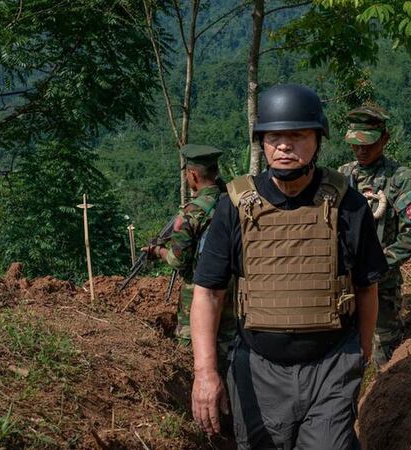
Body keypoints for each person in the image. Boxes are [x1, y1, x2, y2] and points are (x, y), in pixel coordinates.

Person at [189, 84, 388, 449]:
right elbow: (208, 293)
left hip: (331, 365)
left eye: (297, 135)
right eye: (274, 136)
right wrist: (205, 373)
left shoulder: (349, 205)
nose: (284, 145)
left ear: (317, 140)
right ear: (262, 143)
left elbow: (366, 287)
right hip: (259, 370)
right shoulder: (233, 207)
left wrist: (360, 356)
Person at [338, 105, 411, 368]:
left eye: (368, 144)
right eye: (356, 144)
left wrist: (378, 265)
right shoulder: (341, 177)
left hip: (382, 288)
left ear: (384, 139)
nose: (361, 150)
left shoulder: (400, 180)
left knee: (383, 357)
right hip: (343, 286)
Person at [143, 144, 235, 368]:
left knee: (192, 354)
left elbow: (178, 260)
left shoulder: (191, 212)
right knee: (228, 350)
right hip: (233, 292)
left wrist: (158, 251)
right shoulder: (233, 202)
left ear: (193, 174)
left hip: (198, 295)